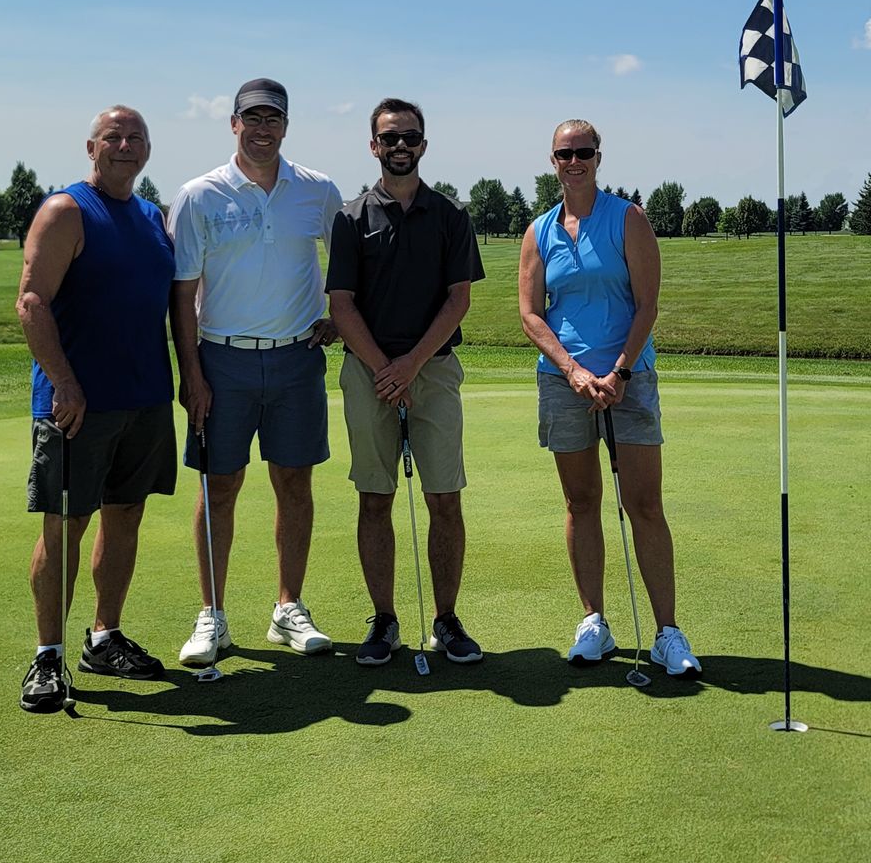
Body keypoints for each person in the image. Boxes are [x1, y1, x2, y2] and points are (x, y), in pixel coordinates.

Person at [516, 118, 701, 677]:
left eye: (584, 152)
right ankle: (593, 621)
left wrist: (618, 372)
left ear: (599, 157)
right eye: (564, 153)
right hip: (563, 381)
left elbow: (647, 304)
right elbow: (530, 313)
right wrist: (572, 371)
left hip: (629, 381)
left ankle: (668, 631)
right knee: (580, 502)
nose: (574, 161)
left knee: (643, 504)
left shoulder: (629, 219)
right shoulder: (539, 231)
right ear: (552, 161)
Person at [168, 78, 342, 666]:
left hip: (297, 359)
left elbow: (347, 267)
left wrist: (337, 319)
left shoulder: (317, 190)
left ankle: (288, 607)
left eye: (273, 119)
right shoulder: (199, 195)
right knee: (220, 485)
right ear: (234, 123)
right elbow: (182, 290)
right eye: (252, 119)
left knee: (294, 483)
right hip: (222, 358)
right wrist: (191, 374)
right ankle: (211, 614)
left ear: (286, 126)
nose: (262, 129)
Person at [17, 105, 177, 712]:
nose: (125, 145)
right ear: (92, 147)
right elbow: (31, 302)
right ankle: (48, 656)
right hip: (76, 405)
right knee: (65, 526)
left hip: (143, 398)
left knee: (125, 516)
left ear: (148, 150)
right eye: (114, 136)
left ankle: (104, 636)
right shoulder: (67, 210)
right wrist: (64, 382)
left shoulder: (150, 216)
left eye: (136, 137)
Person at [326, 98, 487, 666]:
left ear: (423, 144)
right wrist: (382, 369)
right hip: (367, 371)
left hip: (433, 370)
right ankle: (386, 620)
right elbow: (341, 305)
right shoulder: (350, 217)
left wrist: (410, 365)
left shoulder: (450, 215)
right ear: (374, 146)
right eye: (389, 138)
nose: (399, 146)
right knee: (376, 497)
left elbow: (458, 299)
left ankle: (446, 619)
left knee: (444, 497)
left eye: (409, 137)